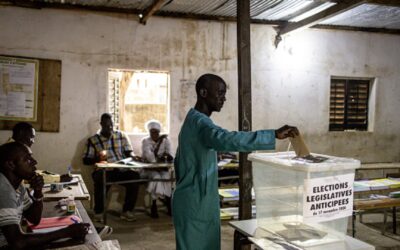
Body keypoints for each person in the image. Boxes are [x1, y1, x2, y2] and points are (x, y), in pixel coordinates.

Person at [172, 74, 299, 250]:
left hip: (196, 198)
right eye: (220, 93)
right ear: (203, 92)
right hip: (195, 203)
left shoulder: (193, 120)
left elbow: (181, 161)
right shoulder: (201, 124)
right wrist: (272, 135)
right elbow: (227, 139)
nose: (223, 98)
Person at [0, 142, 89, 249]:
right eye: (27, 159)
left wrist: (38, 191)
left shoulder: (18, 185)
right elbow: (17, 242)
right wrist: (67, 232)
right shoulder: (4, 190)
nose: (34, 162)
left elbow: (34, 219)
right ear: (11, 165)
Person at [83, 113, 141, 222]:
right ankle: (99, 212)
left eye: (111, 125)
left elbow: (129, 152)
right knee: (100, 179)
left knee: (134, 177)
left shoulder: (121, 135)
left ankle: (127, 211)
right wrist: (97, 158)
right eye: (106, 125)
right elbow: (85, 160)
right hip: (104, 170)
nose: (109, 128)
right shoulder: (93, 140)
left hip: (121, 169)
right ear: (101, 124)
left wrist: (134, 157)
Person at [8, 122, 72, 183]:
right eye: (32, 137)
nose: (33, 141)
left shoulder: (13, 147)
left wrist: (43, 173)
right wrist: (58, 178)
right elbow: (27, 178)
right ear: (21, 133)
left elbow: (26, 171)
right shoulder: (12, 152)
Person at [141, 120, 173, 218]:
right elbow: (150, 158)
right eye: (152, 132)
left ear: (159, 132)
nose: (154, 134)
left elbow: (170, 155)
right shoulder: (145, 141)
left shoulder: (166, 140)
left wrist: (165, 158)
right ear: (149, 132)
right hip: (148, 170)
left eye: (156, 132)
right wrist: (158, 159)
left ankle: (167, 203)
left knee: (167, 177)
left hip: (162, 168)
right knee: (156, 177)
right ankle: (154, 204)